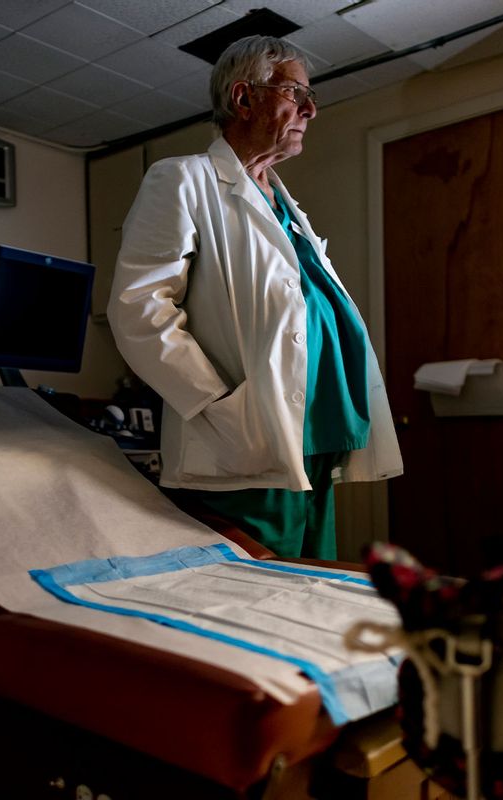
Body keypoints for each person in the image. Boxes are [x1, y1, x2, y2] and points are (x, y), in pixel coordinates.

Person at [108, 35, 402, 560]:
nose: (311, 109)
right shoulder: (183, 179)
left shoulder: (282, 202)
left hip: (313, 439)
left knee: (312, 588)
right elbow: (138, 307)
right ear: (244, 99)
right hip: (246, 442)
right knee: (258, 594)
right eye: (296, 93)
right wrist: (218, 404)